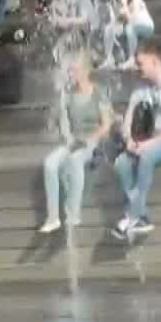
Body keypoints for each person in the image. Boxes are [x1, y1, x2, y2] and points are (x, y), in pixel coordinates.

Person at [111, 40, 161, 239]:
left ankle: (132, 215)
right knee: (121, 163)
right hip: (149, 143)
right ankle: (142, 218)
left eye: (141, 63)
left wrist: (147, 144)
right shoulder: (140, 90)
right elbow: (127, 123)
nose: (138, 68)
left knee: (146, 157)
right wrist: (129, 140)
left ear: (155, 61)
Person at [40, 51, 112, 233]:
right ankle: (53, 217)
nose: (71, 74)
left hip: (94, 141)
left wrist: (89, 140)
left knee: (74, 160)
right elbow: (64, 123)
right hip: (73, 140)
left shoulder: (98, 93)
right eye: (70, 71)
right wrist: (69, 139)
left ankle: (73, 214)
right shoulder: (67, 94)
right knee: (50, 164)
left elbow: (106, 125)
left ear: (86, 71)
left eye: (74, 70)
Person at [102, 0, 155, 70]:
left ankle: (131, 59)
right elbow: (118, 23)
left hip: (146, 26)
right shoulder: (120, 5)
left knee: (129, 28)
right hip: (132, 29)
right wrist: (113, 23)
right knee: (110, 29)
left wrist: (125, 5)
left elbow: (132, 19)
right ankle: (110, 58)